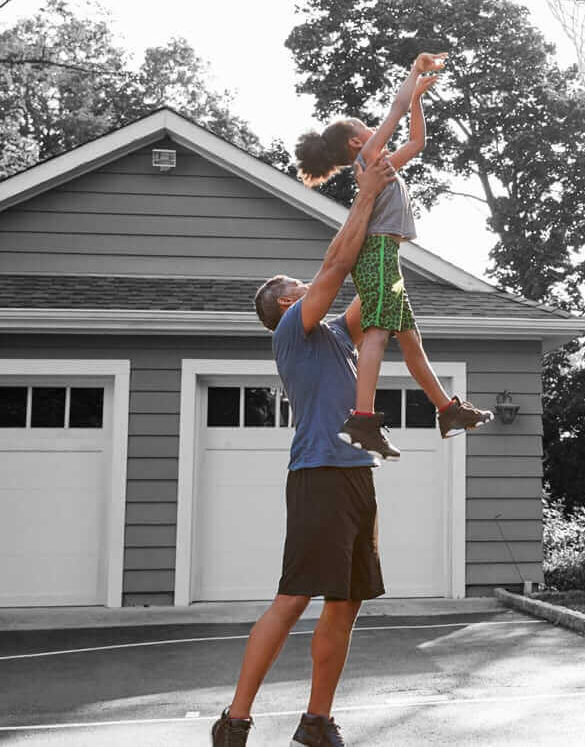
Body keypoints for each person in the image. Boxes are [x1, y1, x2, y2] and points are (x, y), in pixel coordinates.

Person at [211, 152, 396, 747]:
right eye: (299, 287)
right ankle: (234, 719)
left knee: (346, 603)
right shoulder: (293, 330)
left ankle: (317, 721)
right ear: (286, 306)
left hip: (356, 476)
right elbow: (337, 264)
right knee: (294, 598)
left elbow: (373, 282)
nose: (308, 287)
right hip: (318, 473)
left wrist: (390, 216)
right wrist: (363, 196)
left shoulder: (338, 334)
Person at [293, 50, 493, 460]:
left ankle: (448, 411)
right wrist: (413, 74)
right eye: (368, 128)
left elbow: (417, 141)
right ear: (357, 141)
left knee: (411, 342)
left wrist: (418, 97)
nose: (375, 129)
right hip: (377, 252)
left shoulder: (382, 166)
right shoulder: (368, 159)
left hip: (388, 256)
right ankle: (363, 418)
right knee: (378, 333)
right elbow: (396, 110)